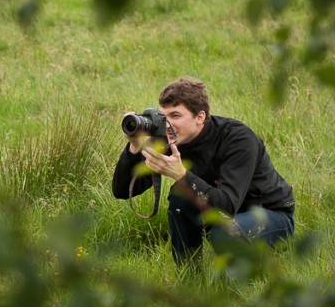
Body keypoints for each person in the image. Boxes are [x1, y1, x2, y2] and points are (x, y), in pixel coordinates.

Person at [111, 77, 295, 265]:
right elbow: (122, 191)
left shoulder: (238, 139)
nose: (168, 124)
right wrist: (134, 147)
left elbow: (228, 205)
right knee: (179, 196)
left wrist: (181, 174)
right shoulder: (167, 136)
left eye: (175, 116)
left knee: (223, 235)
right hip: (217, 213)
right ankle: (189, 274)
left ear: (200, 116)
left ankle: (249, 268)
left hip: (269, 213)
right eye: (164, 116)